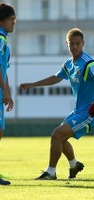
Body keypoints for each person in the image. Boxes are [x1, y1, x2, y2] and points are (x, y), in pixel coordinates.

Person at [20, 28, 94, 180]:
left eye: (77, 43)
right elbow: (56, 78)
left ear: (83, 44)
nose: (74, 46)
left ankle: (51, 172)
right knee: (59, 137)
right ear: (66, 44)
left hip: (90, 113)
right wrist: (32, 84)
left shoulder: (88, 63)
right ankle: (74, 165)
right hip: (78, 111)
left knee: (56, 135)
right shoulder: (69, 64)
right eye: (71, 43)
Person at [0, 2, 16, 186]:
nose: (14, 23)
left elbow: (4, 69)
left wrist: (8, 93)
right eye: (11, 19)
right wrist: (4, 91)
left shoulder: (4, 41)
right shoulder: (0, 39)